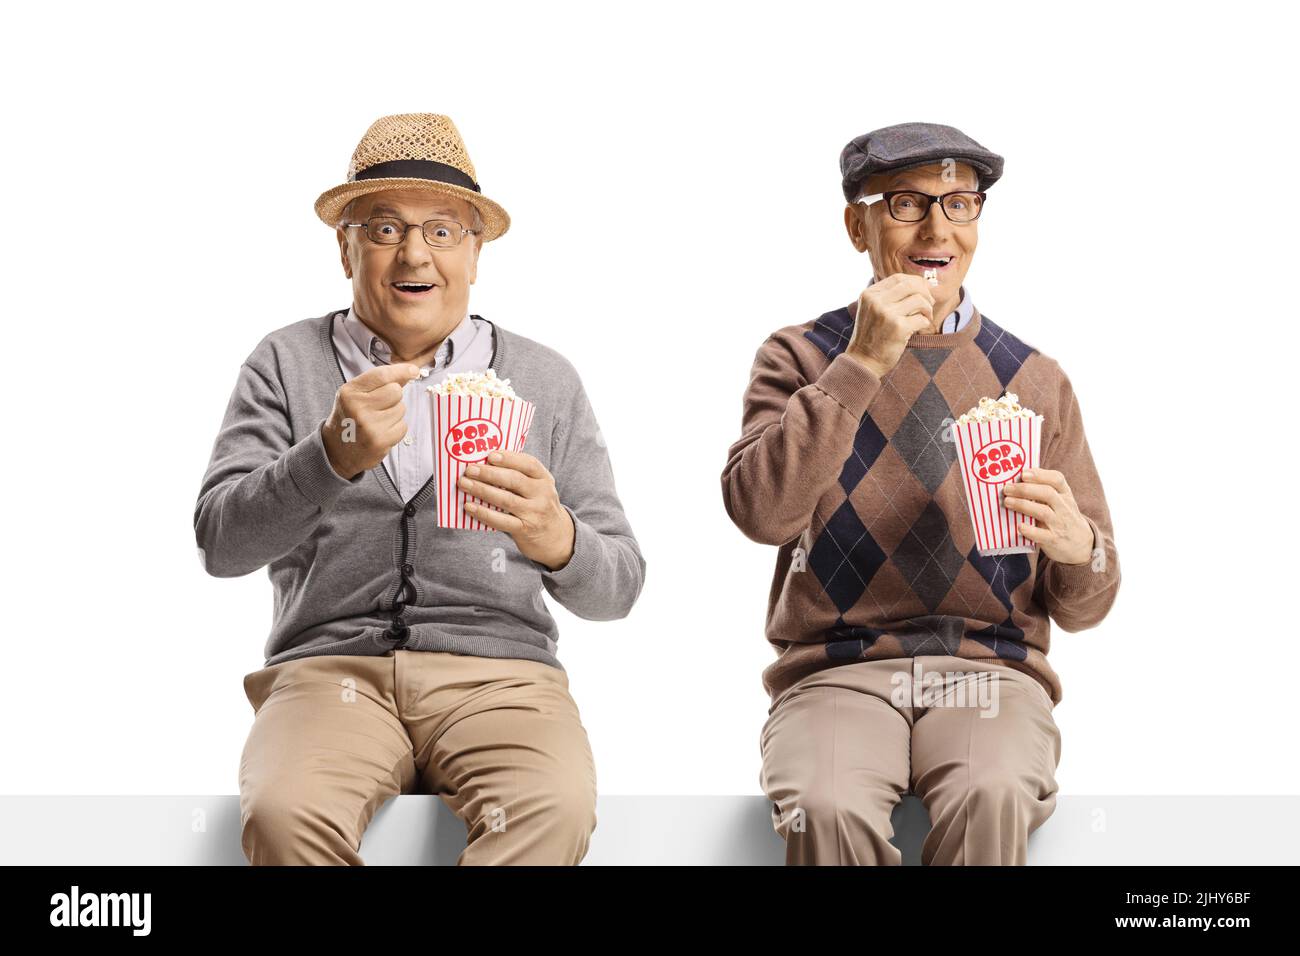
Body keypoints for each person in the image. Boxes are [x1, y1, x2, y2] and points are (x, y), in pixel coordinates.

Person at [195, 113, 646, 865]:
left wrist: (555, 536)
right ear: (344, 247)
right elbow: (220, 543)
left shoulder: (543, 379)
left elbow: (620, 586)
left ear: (475, 251)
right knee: (284, 815)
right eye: (383, 229)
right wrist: (329, 455)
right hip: (329, 674)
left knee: (550, 810)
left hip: (501, 680)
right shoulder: (285, 362)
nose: (414, 254)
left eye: (442, 231)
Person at [720, 121, 1121, 865]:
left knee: (993, 792)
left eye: (960, 203)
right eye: (905, 203)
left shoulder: (1035, 377)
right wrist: (861, 363)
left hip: (991, 672)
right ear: (856, 224)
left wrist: (1079, 546)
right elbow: (760, 511)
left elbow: (1089, 600)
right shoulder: (801, 355)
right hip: (837, 672)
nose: (938, 227)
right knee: (823, 805)